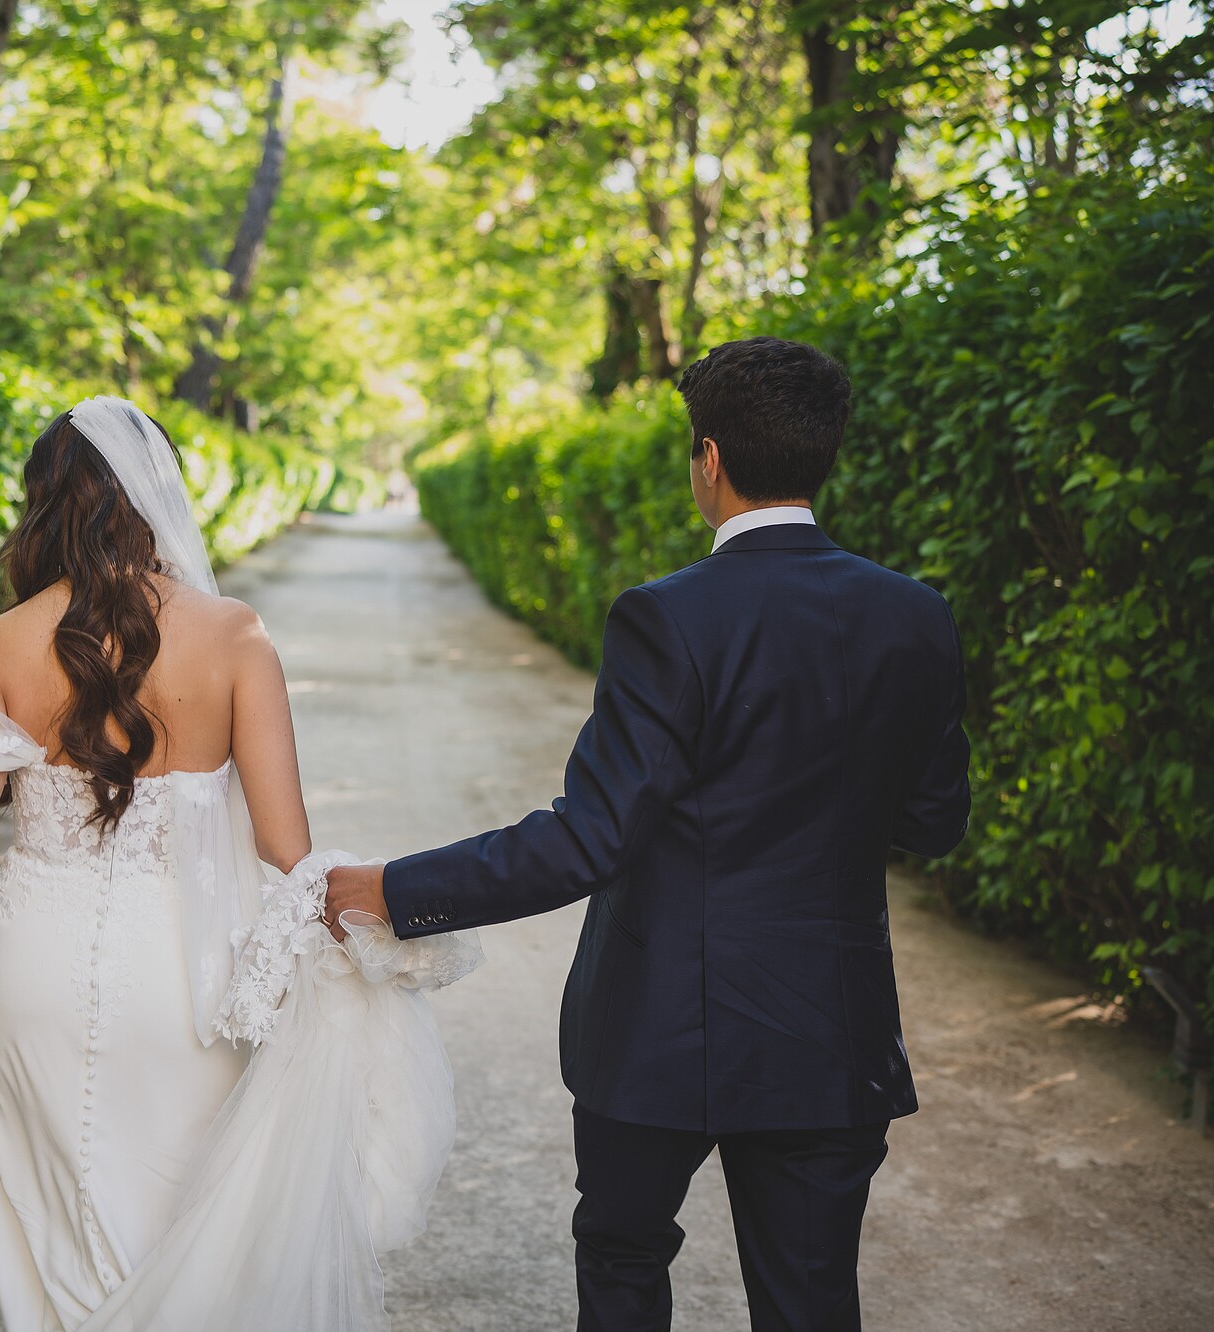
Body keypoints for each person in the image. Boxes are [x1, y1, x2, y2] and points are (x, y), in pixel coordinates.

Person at [325, 336, 971, 1332]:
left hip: (659, 1022)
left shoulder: (666, 618)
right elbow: (934, 821)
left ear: (707, 459)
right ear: (822, 455)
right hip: (829, 1029)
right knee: (809, 1300)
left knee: (623, 1260)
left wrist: (391, 890)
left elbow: (589, 839)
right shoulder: (916, 616)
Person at [0, 397, 479, 1332]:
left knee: (58, 1217)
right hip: (188, 974)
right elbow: (284, 848)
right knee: (182, 1214)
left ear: (44, 507)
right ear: (154, 497)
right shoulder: (235, 637)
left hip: (34, 972)